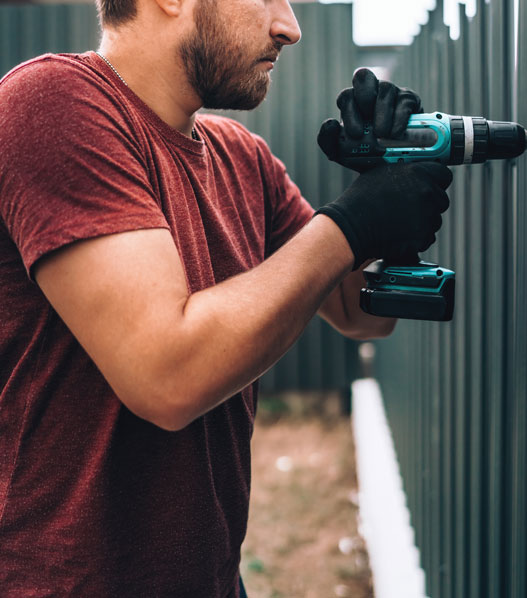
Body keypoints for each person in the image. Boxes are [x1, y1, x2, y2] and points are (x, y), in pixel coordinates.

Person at [0, 0, 452, 595]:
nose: (289, 27)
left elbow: (359, 312)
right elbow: (167, 375)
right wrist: (354, 222)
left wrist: (382, 184)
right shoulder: (52, 103)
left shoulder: (242, 157)